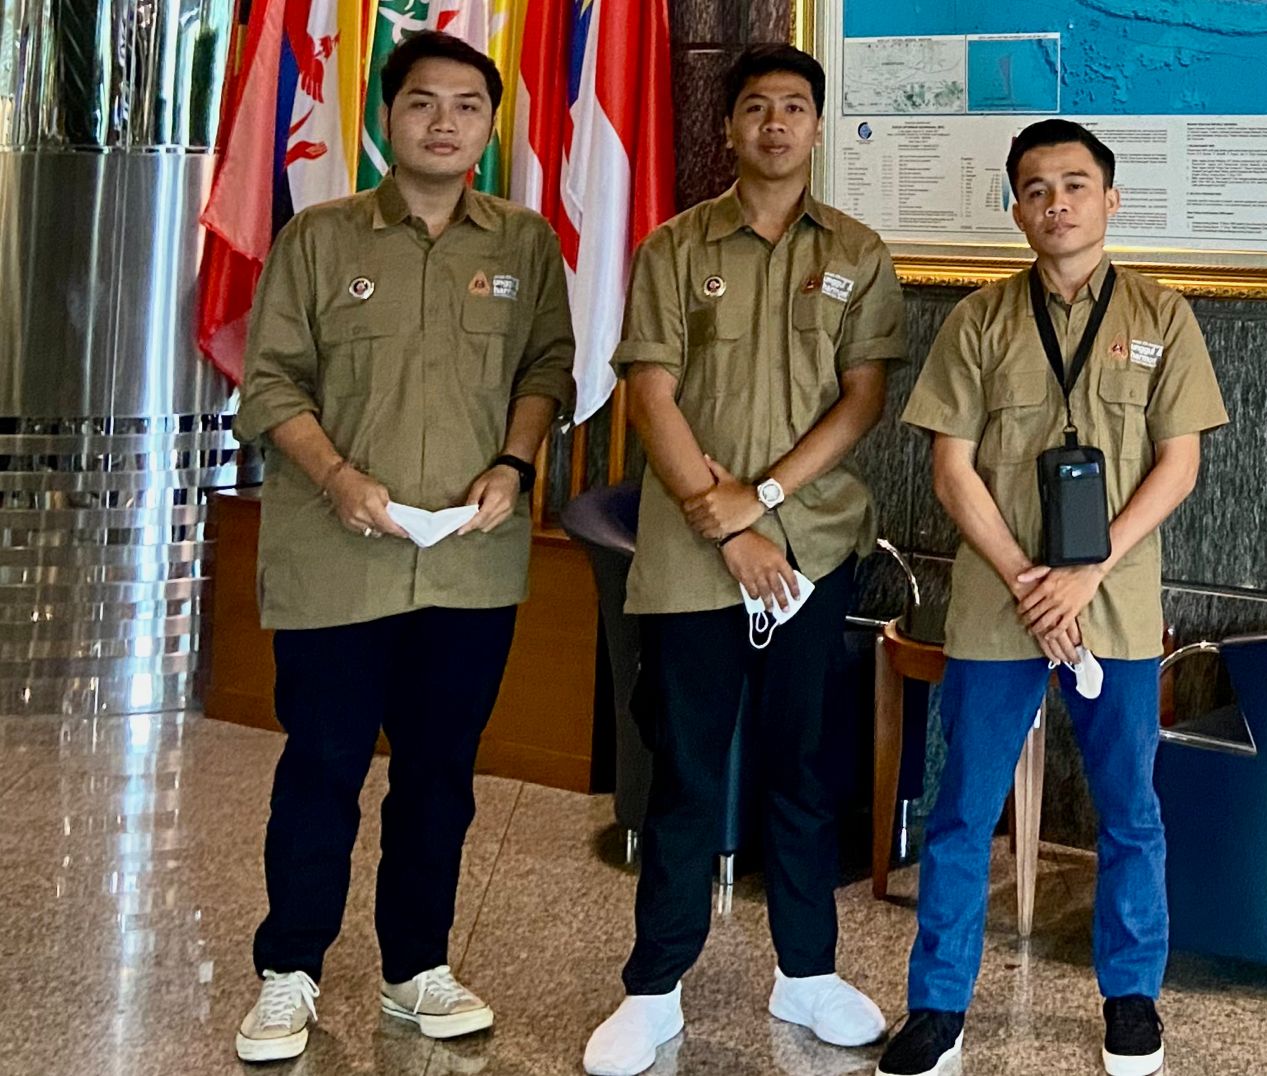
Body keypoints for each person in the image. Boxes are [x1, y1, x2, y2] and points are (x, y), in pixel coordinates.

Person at [230, 31, 576, 1063]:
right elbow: (270, 384)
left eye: (467, 105)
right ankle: (288, 971)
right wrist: (339, 479)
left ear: (490, 125)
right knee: (322, 766)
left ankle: (415, 967)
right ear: (388, 117)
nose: (443, 122)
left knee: (440, 774)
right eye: (423, 101)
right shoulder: (320, 238)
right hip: (339, 558)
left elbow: (547, 369)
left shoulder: (523, 244)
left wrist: (514, 466)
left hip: (468, 560)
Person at [877, 119, 1229, 1076]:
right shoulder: (979, 320)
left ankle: (1132, 998)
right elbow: (951, 470)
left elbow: (1180, 463)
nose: (1057, 204)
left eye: (1075, 185)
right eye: (1036, 189)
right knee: (963, 810)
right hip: (1000, 602)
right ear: (1016, 209)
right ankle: (937, 1009)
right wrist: (1028, 579)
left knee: (1129, 810)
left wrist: (1086, 570)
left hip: (1114, 600)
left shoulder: (1162, 315)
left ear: (1111, 200)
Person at [582, 43, 907, 1076]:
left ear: (818, 126)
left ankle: (806, 971)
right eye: (756, 106)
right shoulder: (676, 247)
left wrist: (761, 499)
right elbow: (651, 393)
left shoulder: (857, 251)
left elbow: (862, 398)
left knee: (802, 769)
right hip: (694, 555)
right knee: (684, 770)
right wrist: (724, 525)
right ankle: (653, 987)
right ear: (728, 127)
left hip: (810, 546)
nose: (775, 123)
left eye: (795, 106)